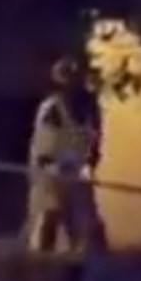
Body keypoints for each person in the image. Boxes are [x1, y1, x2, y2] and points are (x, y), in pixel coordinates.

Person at [24, 57, 109, 256]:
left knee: (88, 226)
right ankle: (42, 271)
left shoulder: (90, 108)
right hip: (50, 175)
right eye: (68, 81)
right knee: (49, 219)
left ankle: (93, 269)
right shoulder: (52, 109)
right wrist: (55, 168)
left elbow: (95, 141)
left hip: (76, 174)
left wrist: (90, 160)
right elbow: (44, 150)